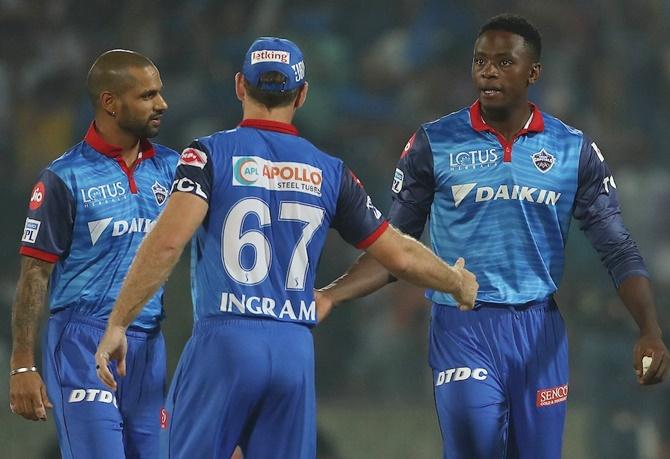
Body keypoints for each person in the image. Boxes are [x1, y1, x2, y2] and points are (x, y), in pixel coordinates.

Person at [94, 36, 478, 459]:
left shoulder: (208, 155)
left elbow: (167, 243)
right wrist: (455, 281)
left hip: (225, 341)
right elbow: (400, 255)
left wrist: (118, 323)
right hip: (293, 348)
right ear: (303, 95)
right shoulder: (330, 171)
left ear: (240, 85)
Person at [315, 14, 669, 459]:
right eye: (481, 60)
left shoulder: (571, 149)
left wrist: (649, 329)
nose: (488, 70)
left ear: (534, 72)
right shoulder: (434, 143)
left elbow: (617, 247)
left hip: (540, 332)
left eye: (504, 62)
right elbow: (393, 246)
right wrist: (330, 295)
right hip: (463, 326)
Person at [9, 49, 178, 459]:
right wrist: (22, 364)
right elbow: (34, 275)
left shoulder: (174, 169)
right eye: (148, 95)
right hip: (81, 343)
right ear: (110, 102)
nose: (162, 104)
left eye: (160, 93)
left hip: (148, 345)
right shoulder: (65, 177)